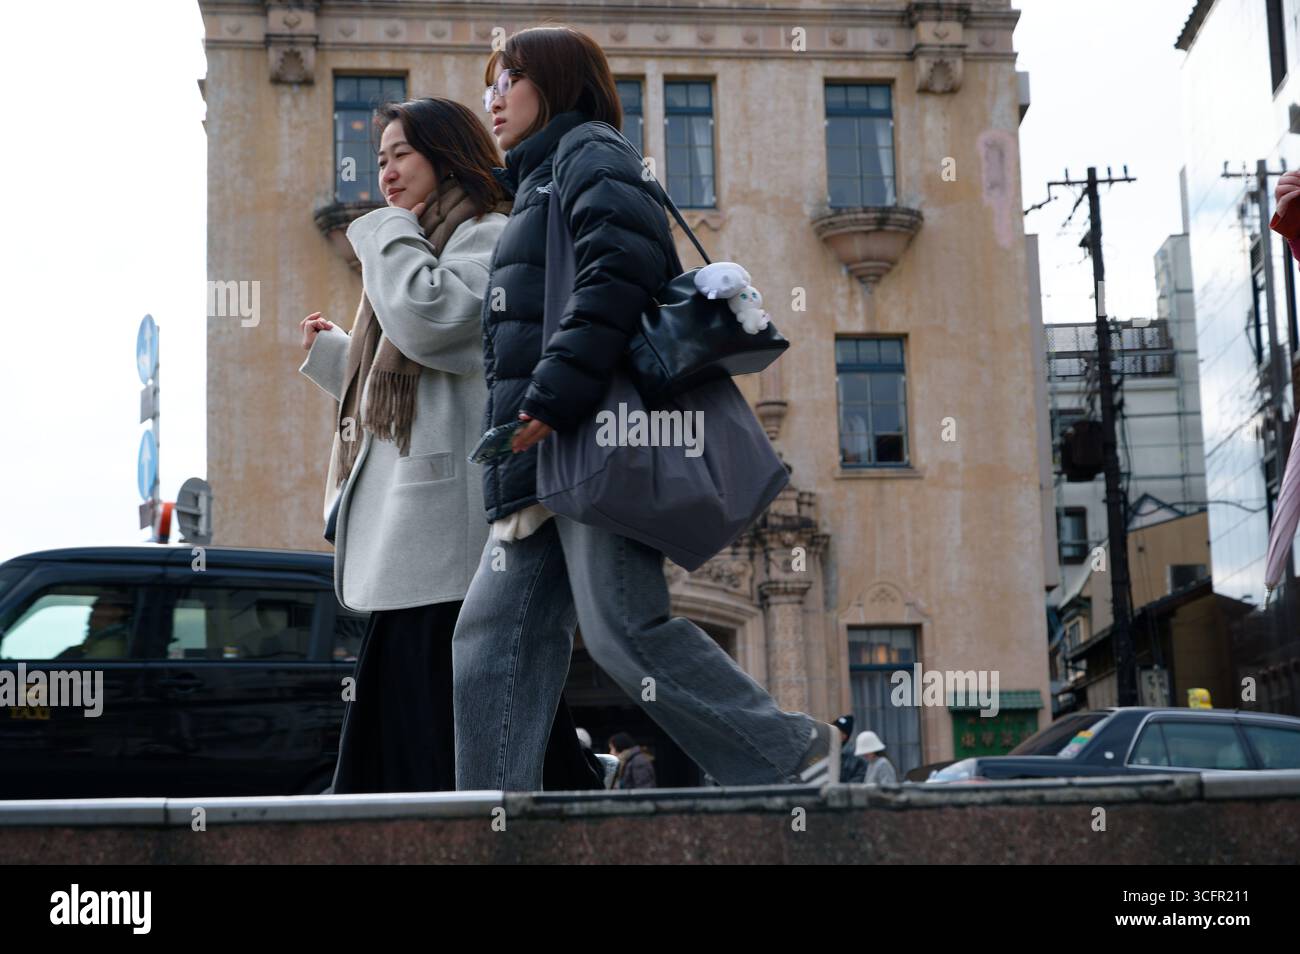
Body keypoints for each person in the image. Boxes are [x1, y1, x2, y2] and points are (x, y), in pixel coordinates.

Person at [450, 25, 842, 792]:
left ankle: (799, 756)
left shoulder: (590, 152)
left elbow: (619, 271)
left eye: (510, 80)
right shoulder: (537, 181)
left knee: (624, 629)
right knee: (491, 643)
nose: (492, 98)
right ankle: (490, 818)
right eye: (490, 82)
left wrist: (551, 401)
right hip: (546, 455)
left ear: (557, 86)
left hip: (593, 438)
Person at [297, 96, 600, 794]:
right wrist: (333, 355)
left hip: (445, 539)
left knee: (449, 719)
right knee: (437, 720)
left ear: (446, 153)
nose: (387, 172)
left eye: (402, 154)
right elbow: (416, 378)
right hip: (419, 535)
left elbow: (439, 321)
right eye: (380, 160)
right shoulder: (428, 245)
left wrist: (384, 234)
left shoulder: (486, 235)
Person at [835, 714, 867, 783]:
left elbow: (860, 776)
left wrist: (844, 789)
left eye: (836, 732)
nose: (832, 734)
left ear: (844, 736)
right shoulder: (832, 749)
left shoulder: (854, 755)